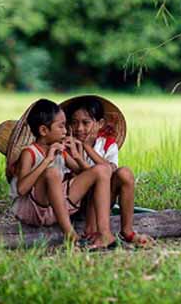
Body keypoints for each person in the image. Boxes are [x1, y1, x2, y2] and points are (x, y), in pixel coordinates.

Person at [9, 98, 117, 250]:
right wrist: (47, 160)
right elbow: (21, 189)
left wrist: (77, 155)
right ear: (44, 131)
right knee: (52, 173)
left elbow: (86, 175)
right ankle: (70, 235)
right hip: (35, 211)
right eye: (61, 126)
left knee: (102, 170)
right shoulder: (29, 153)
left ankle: (104, 233)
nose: (66, 131)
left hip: (58, 207)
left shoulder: (61, 151)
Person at [65, 96, 152, 246]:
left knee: (125, 173)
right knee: (96, 178)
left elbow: (109, 170)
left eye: (86, 123)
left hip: (102, 200)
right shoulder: (66, 145)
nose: (79, 128)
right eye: (74, 122)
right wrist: (78, 154)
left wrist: (87, 147)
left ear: (100, 124)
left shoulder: (107, 144)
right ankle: (92, 231)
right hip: (76, 202)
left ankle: (127, 231)